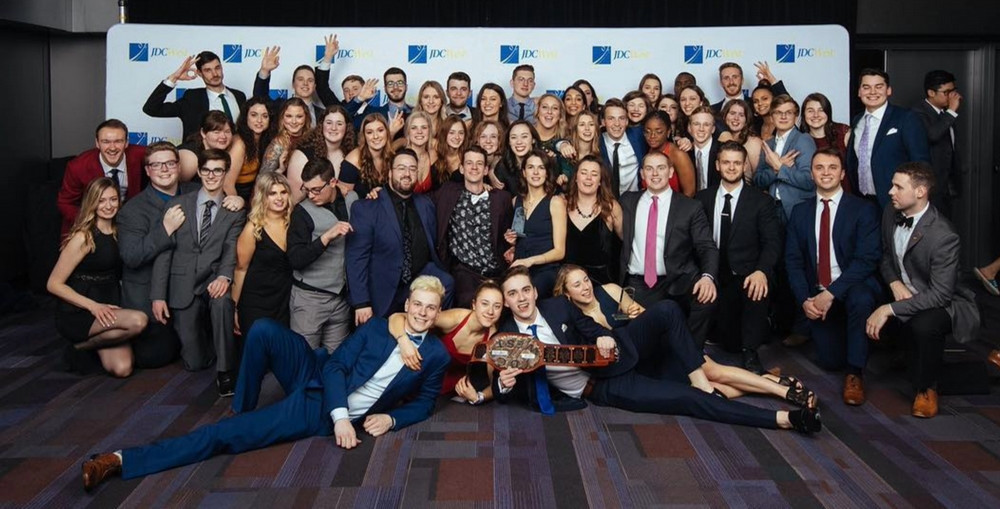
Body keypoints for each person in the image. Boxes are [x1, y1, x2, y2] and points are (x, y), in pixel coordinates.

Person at [80, 276, 452, 492]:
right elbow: (338, 366)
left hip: (313, 410)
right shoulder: (377, 327)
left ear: (438, 313)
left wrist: (392, 420)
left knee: (225, 435)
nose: (421, 312)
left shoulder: (435, 356)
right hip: (323, 388)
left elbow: (424, 403)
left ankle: (117, 460)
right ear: (408, 303)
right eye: (417, 304)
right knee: (264, 332)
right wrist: (341, 417)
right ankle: (242, 403)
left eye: (430, 308)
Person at [492, 267, 820, 432]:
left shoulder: (560, 307)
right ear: (506, 301)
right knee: (689, 400)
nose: (521, 299)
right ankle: (784, 418)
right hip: (604, 386)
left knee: (665, 310)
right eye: (513, 294)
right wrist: (504, 385)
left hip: (617, 354)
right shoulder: (507, 337)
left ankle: (704, 383)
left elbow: (591, 329)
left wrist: (602, 339)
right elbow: (508, 388)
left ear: (535, 292)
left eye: (525, 290)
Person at [554, 264, 817, 406]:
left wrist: (635, 316)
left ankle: (781, 392)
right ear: (567, 294)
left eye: (586, 280)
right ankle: (769, 382)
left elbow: (650, 319)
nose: (585, 286)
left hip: (658, 347)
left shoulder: (610, 290)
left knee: (713, 371)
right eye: (577, 285)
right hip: (636, 366)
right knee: (701, 385)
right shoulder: (576, 321)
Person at [866, 162, 979, 418]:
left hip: (944, 302)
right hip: (903, 289)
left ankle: (926, 388)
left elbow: (940, 295)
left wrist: (889, 309)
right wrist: (894, 282)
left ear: (920, 192)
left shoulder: (943, 235)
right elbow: (885, 256)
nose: (890, 192)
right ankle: (902, 357)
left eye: (898, 187)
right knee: (864, 298)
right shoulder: (889, 211)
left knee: (924, 326)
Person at [121, 143, 236, 372]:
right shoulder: (132, 210)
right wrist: (165, 230)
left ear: (179, 166)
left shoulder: (195, 190)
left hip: (196, 283)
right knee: (156, 356)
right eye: (156, 165)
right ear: (147, 171)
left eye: (170, 163)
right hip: (154, 295)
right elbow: (132, 257)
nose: (164, 169)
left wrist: (237, 200)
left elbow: (221, 199)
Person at [785, 149, 882, 405]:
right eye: (819, 167)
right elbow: (793, 262)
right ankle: (847, 342)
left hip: (852, 285)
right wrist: (805, 300)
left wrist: (831, 294)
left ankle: (855, 373)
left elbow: (867, 260)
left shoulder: (862, 210)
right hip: (817, 292)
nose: (825, 172)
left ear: (842, 173)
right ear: (812, 173)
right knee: (829, 361)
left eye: (832, 167)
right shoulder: (800, 212)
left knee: (861, 299)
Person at [151, 148, 246, 397]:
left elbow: (230, 248)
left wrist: (225, 277)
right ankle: (211, 344)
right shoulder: (178, 205)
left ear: (226, 173)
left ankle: (226, 371)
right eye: (206, 170)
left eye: (218, 170)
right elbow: (165, 251)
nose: (211, 175)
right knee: (194, 362)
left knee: (222, 303)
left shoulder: (233, 209)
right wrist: (158, 295)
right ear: (199, 172)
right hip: (183, 282)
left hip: (214, 278)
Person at [48, 178, 148, 377]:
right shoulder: (83, 237)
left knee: (123, 369)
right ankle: (82, 344)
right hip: (80, 311)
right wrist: (93, 306)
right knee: (138, 321)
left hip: (108, 304)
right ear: (92, 202)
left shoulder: (121, 231)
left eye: (113, 200)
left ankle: (80, 348)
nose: (108, 206)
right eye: (101, 201)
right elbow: (53, 284)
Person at [696, 142, 780, 374]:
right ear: (717, 165)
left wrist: (762, 271)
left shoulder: (761, 201)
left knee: (755, 290)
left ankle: (751, 351)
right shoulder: (702, 198)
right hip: (714, 274)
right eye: (726, 162)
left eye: (736, 163)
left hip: (746, 275)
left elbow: (772, 243)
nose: (731, 167)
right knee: (727, 341)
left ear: (745, 166)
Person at [619, 151, 717, 347]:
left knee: (706, 299)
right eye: (649, 168)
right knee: (641, 338)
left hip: (680, 279)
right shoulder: (627, 201)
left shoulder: (690, 207)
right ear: (642, 174)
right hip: (641, 283)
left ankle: (690, 355)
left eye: (661, 168)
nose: (655, 173)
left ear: (671, 172)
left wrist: (708, 277)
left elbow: (706, 246)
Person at [347, 149, 454, 324]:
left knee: (447, 282)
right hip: (383, 290)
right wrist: (361, 302)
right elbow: (356, 258)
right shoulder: (367, 207)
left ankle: (428, 339)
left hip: (417, 282)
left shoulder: (426, 204)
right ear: (390, 173)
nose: (407, 173)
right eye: (401, 168)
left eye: (412, 169)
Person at [389, 279, 505, 402]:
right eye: (485, 303)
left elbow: (495, 383)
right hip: (419, 372)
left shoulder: (493, 338)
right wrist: (404, 342)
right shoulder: (456, 319)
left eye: (497, 306)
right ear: (474, 304)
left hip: (447, 391)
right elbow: (397, 317)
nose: (490, 311)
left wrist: (478, 397)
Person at [287, 158, 356, 352]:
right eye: (306, 189)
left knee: (335, 361)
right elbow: (295, 259)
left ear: (333, 182)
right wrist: (325, 238)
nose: (310, 195)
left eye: (316, 189)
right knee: (303, 360)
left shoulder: (352, 199)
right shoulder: (301, 213)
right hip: (310, 299)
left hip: (341, 300)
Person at [433, 146, 513, 305]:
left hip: (496, 272)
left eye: (479, 164)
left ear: (485, 170)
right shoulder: (448, 192)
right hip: (465, 272)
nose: (474, 167)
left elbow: (510, 232)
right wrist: (379, 190)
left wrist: (511, 242)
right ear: (462, 169)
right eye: (469, 163)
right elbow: (416, 198)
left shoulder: (501, 199)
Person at [847, 68, 931, 209]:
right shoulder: (857, 120)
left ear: (889, 90)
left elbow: (921, 163)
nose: (872, 92)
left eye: (879, 87)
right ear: (859, 92)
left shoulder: (906, 118)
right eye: (866, 87)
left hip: (894, 202)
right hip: (861, 202)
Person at [58, 119, 146, 235]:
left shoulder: (142, 155)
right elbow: (65, 203)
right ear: (97, 143)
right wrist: (91, 223)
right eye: (106, 141)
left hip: (130, 223)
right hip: (91, 225)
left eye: (118, 141)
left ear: (126, 143)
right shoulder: (78, 167)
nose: (112, 148)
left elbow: (168, 155)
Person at [233, 172, 293, 335]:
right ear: (262, 197)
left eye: (283, 192)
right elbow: (240, 269)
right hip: (256, 302)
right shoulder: (253, 228)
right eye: (272, 193)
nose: (279, 198)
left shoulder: (295, 222)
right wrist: (234, 308)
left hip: (285, 302)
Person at [142, 51, 247, 139]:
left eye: (217, 68)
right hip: (201, 159)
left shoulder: (239, 96)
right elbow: (151, 109)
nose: (215, 74)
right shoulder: (192, 99)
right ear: (199, 73)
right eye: (208, 70)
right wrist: (174, 77)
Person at [507, 149, 567, 298]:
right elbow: (521, 235)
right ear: (523, 172)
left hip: (545, 270)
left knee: (527, 295)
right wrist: (512, 242)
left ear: (547, 173)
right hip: (520, 267)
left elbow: (560, 252)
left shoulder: (555, 202)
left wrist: (530, 261)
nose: (535, 172)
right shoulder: (516, 201)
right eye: (531, 167)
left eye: (541, 168)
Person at [251, 36, 343, 125]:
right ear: (293, 84)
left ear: (315, 86)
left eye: (310, 80)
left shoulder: (323, 115)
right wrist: (264, 71)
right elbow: (260, 98)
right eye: (300, 79)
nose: (305, 83)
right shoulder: (279, 107)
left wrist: (327, 59)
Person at [753, 95, 817, 222]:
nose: (783, 117)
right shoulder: (768, 144)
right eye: (778, 113)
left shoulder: (804, 140)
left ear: (796, 116)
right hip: (771, 209)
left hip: (797, 209)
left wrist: (780, 168)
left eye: (788, 112)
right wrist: (777, 169)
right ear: (771, 117)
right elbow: (757, 180)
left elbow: (809, 181)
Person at [564, 156, 623, 285]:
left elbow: (627, 243)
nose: (588, 178)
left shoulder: (611, 207)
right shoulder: (563, 204)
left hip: (604, 281)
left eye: (594, 174)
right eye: (584, 173)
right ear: (576, 178)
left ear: (600, 181)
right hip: (570, 282)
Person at [913, 70, 962, 218]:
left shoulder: (945, 113)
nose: (954, 96)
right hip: (930, 186)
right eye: (947, 92)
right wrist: (952, 111)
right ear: (931, 92)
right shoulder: (917, 112)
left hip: (947, 185)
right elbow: (932, 135)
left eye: (954, 91)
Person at [286, 105, 356, 205]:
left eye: (339, 124)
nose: (333, 128)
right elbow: (294, 200)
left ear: (347, 127)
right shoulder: (302, 155)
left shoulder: (351, 154)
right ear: (321, 125)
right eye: (329, 123)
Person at [227, 97, 275, 202]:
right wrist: (239, 208)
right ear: (246, 117)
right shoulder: (240, 144)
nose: (259, 120)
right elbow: (227, 184)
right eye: (254, 115)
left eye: (265, 116)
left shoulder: (265, 140)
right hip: (235, 194)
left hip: (253, 193)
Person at [599, 98, 648, 198]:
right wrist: (561, 144)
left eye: (621, 118)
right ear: (603, 122)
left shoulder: (639, 136)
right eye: (611, 118)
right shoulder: (596, 140)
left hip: (635, 199)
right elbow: (573, 140)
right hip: (607, 201)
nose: (617, 123)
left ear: (626, 121)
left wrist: (683, 140)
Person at [644, 111, 696, 197]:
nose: (652, 136)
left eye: (659, 131)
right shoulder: (648, 151)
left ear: (668, 132)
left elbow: (690, 192)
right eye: (647, 131)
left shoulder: (678, 155)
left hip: (674, 208)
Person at [343, 113, 394, 199]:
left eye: (380, 130)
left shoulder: (392, 156)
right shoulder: (353, 161)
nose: (375, 136)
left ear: (387, 133)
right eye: (369, 132)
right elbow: (345, 200)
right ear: (364, 136)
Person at [177, 111, 236, 182]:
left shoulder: (227, 150)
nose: (223, 136)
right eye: (216, 132)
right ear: (203, 133)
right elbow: (176, 189)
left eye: (227, 132)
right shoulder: (190, 158)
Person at [260, 98, 312, 174]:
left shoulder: (313, 139)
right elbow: (262, 179)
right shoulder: (278, 144)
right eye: (289, 116)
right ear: (282, 118)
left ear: (306, 118)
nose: (294, 121)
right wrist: (280, 170)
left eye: (299, 116)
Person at [392, 111, 438, 194]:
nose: (419, 131)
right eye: (414, 128)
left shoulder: (433, 155)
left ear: (429, 131)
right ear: (408, 132)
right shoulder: (399, 155)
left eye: (424, 127)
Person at [718, 99, 764, 176]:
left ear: (746, 120)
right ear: (724, 116)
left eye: (741, 115)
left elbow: (759, 177)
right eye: (732, 113)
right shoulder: (718, 139)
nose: (736, 118)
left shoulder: (753, 142)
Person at [493, 120, 539, 196]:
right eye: (514, 137)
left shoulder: (546, 162)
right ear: (509, 142)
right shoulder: (502, 167)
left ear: (533, 140)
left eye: (524, 136)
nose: (519, 142)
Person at [686, 106, 721, 192]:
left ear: (713, 129)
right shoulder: (685, 153)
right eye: (696, 124)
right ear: (690, 128)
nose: (701, 129)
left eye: (706, 124)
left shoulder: (723, 152)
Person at [432, 115, 468, 186]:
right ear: (444, 134)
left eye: (461, 133)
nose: (457, 137)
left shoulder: (467, 157)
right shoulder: (435, 154)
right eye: (452, 132)